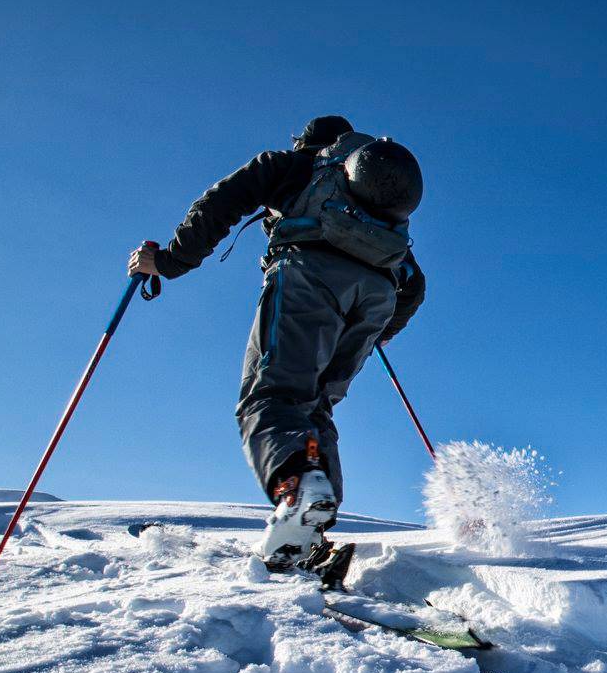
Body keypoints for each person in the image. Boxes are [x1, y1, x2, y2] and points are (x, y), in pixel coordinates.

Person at [130, 115, 426, 571]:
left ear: (312, 143)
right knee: (313, 408)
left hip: (310, 276)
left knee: (271, 396)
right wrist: (375, 333)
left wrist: (168, 261)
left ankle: (297, 488)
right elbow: (414, 284)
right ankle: (308, 529)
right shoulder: (379, 205)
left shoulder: (298, 167)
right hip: (376, 300)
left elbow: (222, 201)